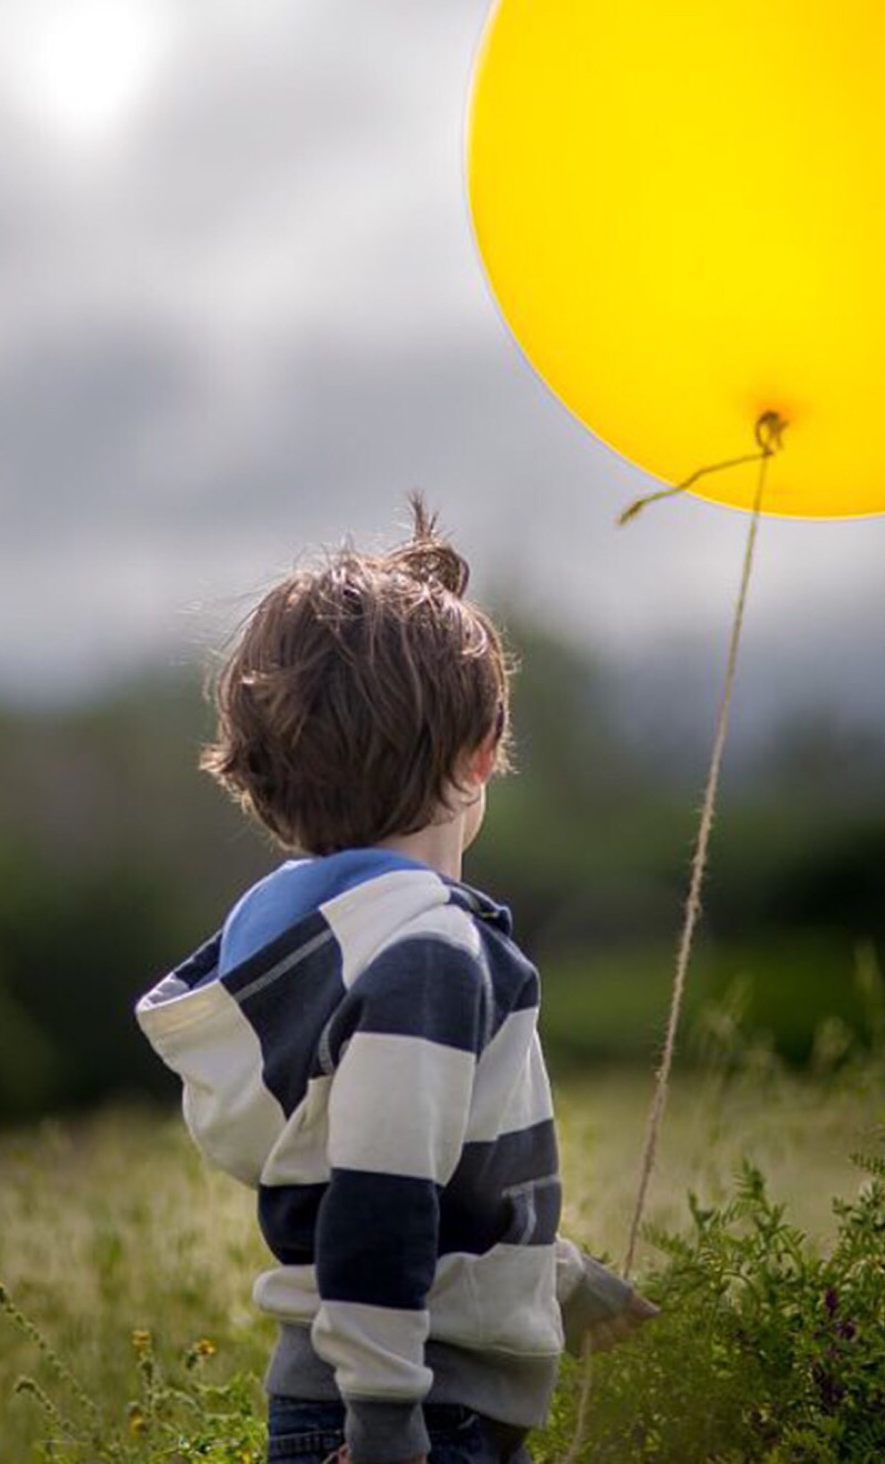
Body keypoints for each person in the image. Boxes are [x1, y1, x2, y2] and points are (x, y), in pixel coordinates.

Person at [136, 497, 657, 1464]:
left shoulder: (304, 942)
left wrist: (555, 1276)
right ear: (482, 754)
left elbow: (405, 1182)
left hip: (343, 1395)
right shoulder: (428, 956)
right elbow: (379, 1204)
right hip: (416, 1416)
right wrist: (384, 1425)